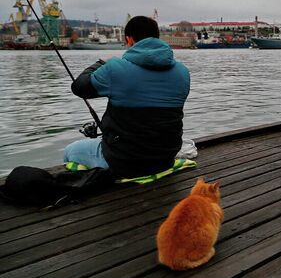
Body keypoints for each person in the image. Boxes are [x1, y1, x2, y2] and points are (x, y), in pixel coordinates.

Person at [64, 16, 190, 178]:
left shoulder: (115, 68)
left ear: (129, 39)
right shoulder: (183, 72)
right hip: (165, 159)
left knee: (70, 151)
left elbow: (79, 87)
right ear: (156, 37)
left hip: (123, 161)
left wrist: (101, 62)